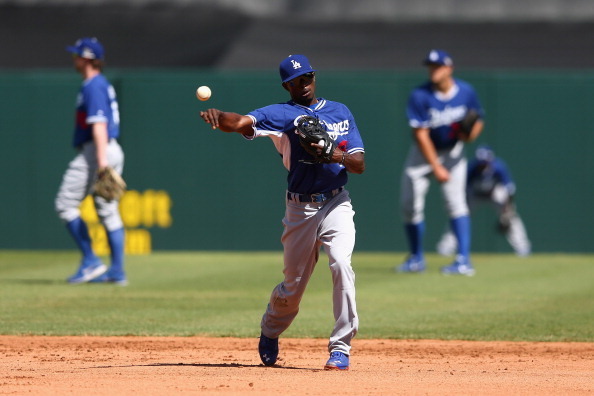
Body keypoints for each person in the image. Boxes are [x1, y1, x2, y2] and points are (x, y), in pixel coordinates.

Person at [199, 54, 365, 370]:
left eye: (308, 78)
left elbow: (358, 164)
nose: (303, 84)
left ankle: (340, 348)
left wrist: (332, 153)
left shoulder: (339, 112)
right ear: (286, 85)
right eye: (296, 80)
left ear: (314, 78)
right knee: (293, 287)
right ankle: (271, 329)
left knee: (342, 264)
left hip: (336, 202)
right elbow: (240, 123)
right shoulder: (279, 114)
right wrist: (221, 117)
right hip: (300, 208)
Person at [397, 49, 484, 276]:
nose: (433, 71)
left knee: (456, 204)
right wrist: (436, 166)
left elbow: (478, 119)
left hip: (453, 151)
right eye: (431, 67)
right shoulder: (420, 95)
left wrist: (469, 136)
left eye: (438, 66)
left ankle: (463, 260)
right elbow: (420, 134)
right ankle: (416, 258)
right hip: (423, 153)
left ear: (449, 69)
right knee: (410, 205)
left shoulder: (465, 92)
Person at [55, 37, 127, 285]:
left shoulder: (93, 85)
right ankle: (117, 272)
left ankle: (91, 262)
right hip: (110, 148)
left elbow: (99, 125)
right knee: (108, 211)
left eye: (76, 54)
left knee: (65, 204)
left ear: (86, 58)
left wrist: (101, 162)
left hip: (98, 150)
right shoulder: (100, 83)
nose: (73, 58)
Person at [436, 144, 531, 257]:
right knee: (458, 215)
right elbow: (463, 189)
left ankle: (523, 248)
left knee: (511, 216)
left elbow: (509, 190)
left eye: (485, 162)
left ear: (490, 160)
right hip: (475, 194)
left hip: (493, 193)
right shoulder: (472, 168)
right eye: (481, 162)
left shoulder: (498, 167)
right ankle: (446, 247)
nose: (483, 165)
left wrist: (506, 212)